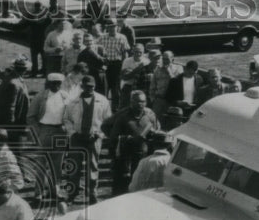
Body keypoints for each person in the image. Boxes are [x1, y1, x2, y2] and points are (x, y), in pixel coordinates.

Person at [63, 76, 112, 205]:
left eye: (92, 86)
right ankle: (72, 194)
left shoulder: (102, 100)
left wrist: (98, 134)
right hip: (77, 138)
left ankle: (92, 194)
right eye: (87, 86)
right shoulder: (73, 101)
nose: (89, 89)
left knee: (93, 167)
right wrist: (73, 133)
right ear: (82, 86)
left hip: (93, 139)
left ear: (95, 86)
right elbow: (66, 120)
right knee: (74, 166)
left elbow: (108, 121)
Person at [106, 90, 160, 196]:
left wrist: (151, 134)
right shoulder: (123, 115)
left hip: (142, 154)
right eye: (138, 101)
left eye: (143, 102)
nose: (141, 104)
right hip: (125, 155)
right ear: (131, 102)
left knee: (139, 180)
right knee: (121, 182)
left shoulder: (150, 115)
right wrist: (127, 138)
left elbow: (157, 130)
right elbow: (112, 134)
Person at [27, 72, 69, 200]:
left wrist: (66, 128)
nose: (56, 86)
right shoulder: (40, 96)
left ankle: (54, 190)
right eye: (53, 83)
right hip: (44, 130)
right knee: (41, 162)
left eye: (58, 83)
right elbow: (31, 117)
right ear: (48, 84)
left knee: (57, 163)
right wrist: (39, 131)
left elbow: (70, 114)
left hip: (60, 132)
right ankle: (38, 192)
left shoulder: (65, 96)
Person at [99, 18, 131, 110]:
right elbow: (98, 50)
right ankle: (103, 109)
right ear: (107, 28)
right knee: (105, 87)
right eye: (110, 27)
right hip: (106, 64)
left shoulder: (122, 37)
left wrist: (124, 66)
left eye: (114, 27)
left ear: (117, 27)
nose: (112, 29)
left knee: (116, 89)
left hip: (117, 65)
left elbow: (125, 53)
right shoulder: (102, 38)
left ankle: (115, 109)